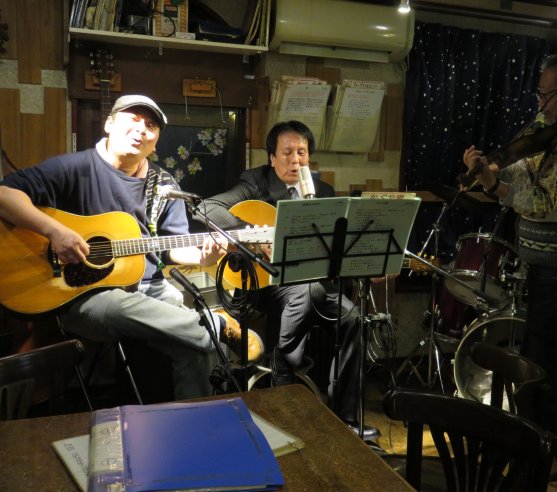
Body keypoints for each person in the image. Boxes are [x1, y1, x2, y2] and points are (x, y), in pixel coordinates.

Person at [0, 94, 243, 400]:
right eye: (133, 119)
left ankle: (196, 417)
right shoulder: (74, 168)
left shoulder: (164, 186)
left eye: (151, 125)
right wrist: (55, 231)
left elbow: (170, 248)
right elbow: (5, 195)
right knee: (132, 309)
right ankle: (214, 325)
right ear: (109, 124)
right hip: (82, 294)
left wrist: (205, 257)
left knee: (197, 344)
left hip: (150, 288)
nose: (141, 129)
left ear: (156, 142)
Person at [462, 52, 557, 465]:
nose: (540, 103)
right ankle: (538, 448)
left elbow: (540, 202)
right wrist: (490, 168)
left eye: (548, 95)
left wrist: (493, 186)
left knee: (549, 367)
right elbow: (526, 174)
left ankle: (556, 455)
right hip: (554, 269)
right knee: (542, 362)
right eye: (539, 94)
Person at [203, 120, 379, 439]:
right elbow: (207, 207)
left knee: (354, 317)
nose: (295, 160)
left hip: (312, 282)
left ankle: (346, 417)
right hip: (263, 285)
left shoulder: (322, 192)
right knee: (306, 291)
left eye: (302, 152)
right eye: (287, 153)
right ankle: (283, 381)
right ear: (272, 157)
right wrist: (254, 236)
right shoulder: (255, 181)